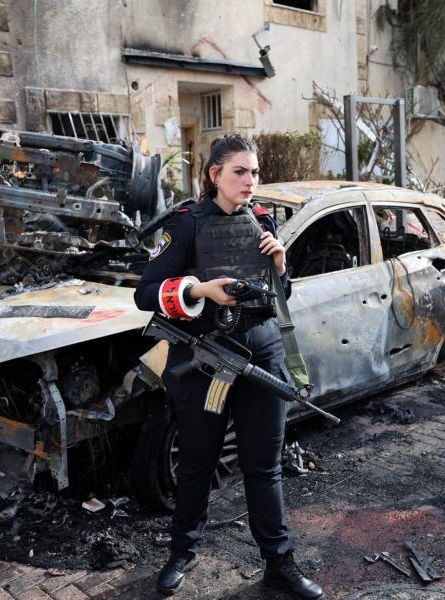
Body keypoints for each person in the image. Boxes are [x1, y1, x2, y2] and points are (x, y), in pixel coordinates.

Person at [133, 134, 324, 599]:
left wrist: (280, 266)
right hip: (205, 361)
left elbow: (279, 293)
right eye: (240, 171)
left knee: (265, 467)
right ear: (215, 174)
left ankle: (279, 564)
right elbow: (145, 293)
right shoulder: (185, 224)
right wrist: (200, 290)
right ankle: (183, 553)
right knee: (197, 464)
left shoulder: (262, 219)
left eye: (255, 172)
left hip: (262, 356)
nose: (250, 181)